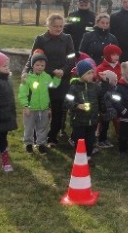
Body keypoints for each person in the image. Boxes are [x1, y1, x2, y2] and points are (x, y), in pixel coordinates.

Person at [23, 13, 74, 148]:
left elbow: (71, 58)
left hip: (62, 79)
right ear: (48, 25)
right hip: (43, 78)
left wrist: (63, 70)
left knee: (58, 109)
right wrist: (26, 72)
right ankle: (36, 137)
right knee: (40, 108)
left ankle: (52, 137)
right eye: (55, 26)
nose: (58, 29)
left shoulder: (67, 38)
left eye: (60, 26)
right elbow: (33, 58)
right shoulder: (40, 39)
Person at [18, 49, 62, 155]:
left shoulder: (46, 77)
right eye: (37, 65)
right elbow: (22, 94)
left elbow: (52, 86)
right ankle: (28, 144)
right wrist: (25, 106)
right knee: (29, 127)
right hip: (30, 109)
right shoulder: (27, 78)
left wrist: (57, 78)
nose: (40, 67)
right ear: (33, 65)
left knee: (43, 127)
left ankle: (41, 144)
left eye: (42, 65)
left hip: (43, 109)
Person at [64, 60, 104, 165]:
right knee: (80, 141)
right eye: (88, 73)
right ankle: (80, 158)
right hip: (79, 121)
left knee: (90, 141)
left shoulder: (95, 87)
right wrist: (77, 105)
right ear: (81, 74)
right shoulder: (74, 87)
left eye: (92, 72)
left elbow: (101, 99)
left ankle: (88, 157)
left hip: (92, 120)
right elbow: (67, 102)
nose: (91, 75)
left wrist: (102, 111)